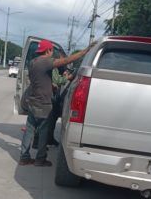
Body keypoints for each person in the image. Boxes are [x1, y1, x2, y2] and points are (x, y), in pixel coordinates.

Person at [19, 39, 94, 167]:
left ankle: (24, 157)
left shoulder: (33, 62)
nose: (52, 54)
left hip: (33, 101)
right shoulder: (45, 62)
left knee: (29, 131)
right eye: (52, 51)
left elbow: (41, 79)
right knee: (43, 133)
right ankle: (40, 159)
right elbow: (66, 61)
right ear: (48, 50)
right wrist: (85, 51)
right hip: (44, 104)